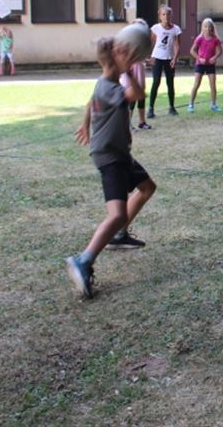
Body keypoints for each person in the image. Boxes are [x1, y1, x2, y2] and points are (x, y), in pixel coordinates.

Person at [66, 37, 158, 298]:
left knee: (147, 187)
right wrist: (129, 70)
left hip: (120, 154)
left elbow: (89, 102)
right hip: (110, 157)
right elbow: (137, 95)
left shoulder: (104, 83)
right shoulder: (110, 88)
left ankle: (119, 235)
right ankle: (83, 260)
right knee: (116, 213)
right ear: (116, 60)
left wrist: (85, 124)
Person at [147, 5, 181, 118]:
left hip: (169, 59)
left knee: (170, 83)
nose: (166, 17)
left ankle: (172, 107)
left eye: (168, 14)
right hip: (157, 58)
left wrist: (174, 58)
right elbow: (151, 43)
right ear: (160, 16)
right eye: (163, 14)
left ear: (171, 16)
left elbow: (177, 45)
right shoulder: (156, 28)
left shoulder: (176, 29)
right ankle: (151, 108)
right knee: (156, 82)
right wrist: (149, 57)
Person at [188, 18, 222, 112]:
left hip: (210, 65)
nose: (208, 28)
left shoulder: (215, 39)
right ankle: (190, 104)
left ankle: (213, 105)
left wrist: (214, 57)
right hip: (200, 64)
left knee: (213, 85)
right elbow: (192, 51)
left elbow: (220, 51)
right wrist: (199, 58)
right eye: (206, 26)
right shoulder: (200, 38)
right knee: (196, 84)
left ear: (212, 28)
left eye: (209, 27)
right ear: (202, 27)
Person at [121, 60, 152, 130]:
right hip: (130, 73)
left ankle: (142, 122)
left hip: (139, 70)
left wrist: (146, 61)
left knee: (141, 98)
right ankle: (127, 123)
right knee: (131, 101)